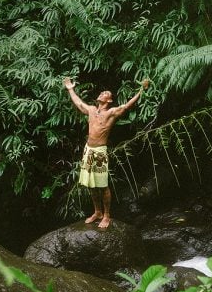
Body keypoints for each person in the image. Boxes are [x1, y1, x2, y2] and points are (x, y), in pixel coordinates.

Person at [63, 76, 149, 228]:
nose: (102, 92)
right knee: (91, 184)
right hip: (88, 150)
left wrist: (142, 89)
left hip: (100, 152)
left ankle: (107, 215)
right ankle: (97, 212)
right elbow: (78, 102)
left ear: (109, 100)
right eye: (102, 92)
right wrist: (70, 89)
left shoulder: (111, 113)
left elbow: (127, 106)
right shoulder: (91, 110)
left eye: (106, 93)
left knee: (102, 185)